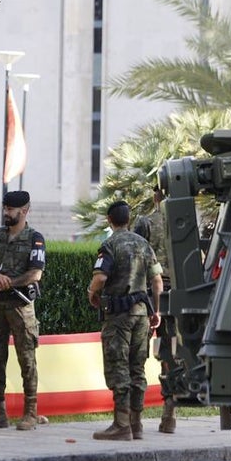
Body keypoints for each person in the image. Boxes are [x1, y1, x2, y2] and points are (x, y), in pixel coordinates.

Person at [88, 200, 163, 441]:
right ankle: (136, 423)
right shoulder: (143, 245)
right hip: (142, 314)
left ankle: (121, 425)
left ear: (110, 220)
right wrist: (156, 312)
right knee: (137, 368)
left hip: (118, 317)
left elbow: (100, 277)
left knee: (118, 366)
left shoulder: (109, 245)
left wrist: (92, 293)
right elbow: (157, 281)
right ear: (128, 220)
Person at [0, 190, 46, 431]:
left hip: (21, 307)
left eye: (10, 210)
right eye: (5, 208)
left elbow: (35, 274)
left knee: (27, 359)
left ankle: (31, 413)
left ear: (24, 211)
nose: (6, 213)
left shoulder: (35, 238)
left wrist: (7, 282)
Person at [133, 186, 178, 434]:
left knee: (139, 354)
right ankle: (169, 415)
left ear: (155, 196)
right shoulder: (188, 222)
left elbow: (137, 261)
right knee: (171, 356)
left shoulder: (146, 223)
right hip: (181, 295)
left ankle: (134, 420)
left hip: (151, 294)